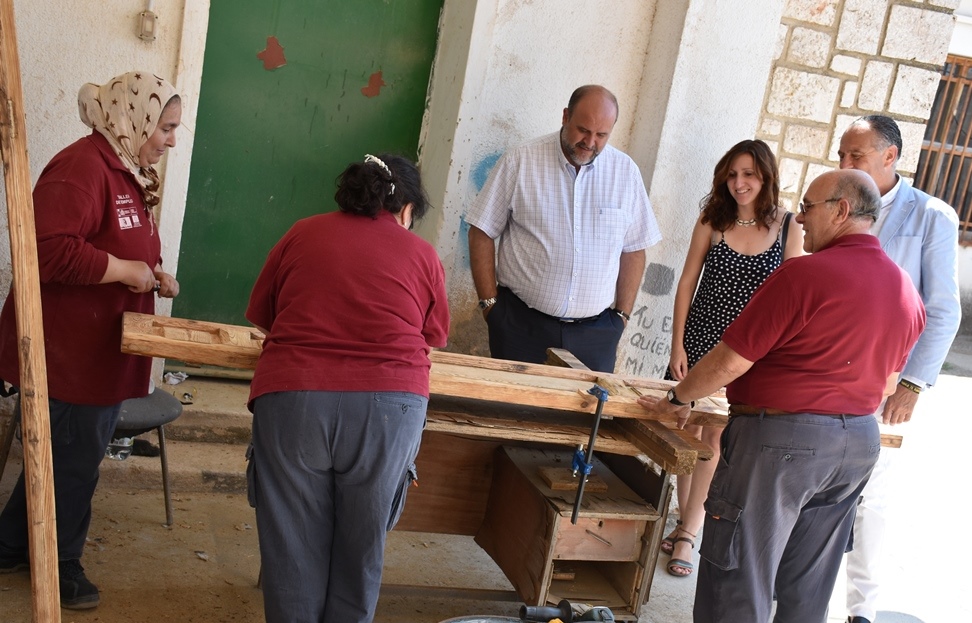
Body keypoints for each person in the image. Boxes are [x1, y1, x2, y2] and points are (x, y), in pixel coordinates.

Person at [639, 169, 925, 623]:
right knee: (806, 586)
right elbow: (889, 382)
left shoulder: (803, 275)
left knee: (738, 577)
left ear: (842, 210)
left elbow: (731, 359)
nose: (801, 219)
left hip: (781, 445)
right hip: (856, 445)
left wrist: (677, 399)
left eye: (808, 208)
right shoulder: (906, 288)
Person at [0, 70, 181, 609]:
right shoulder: (82, 167)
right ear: (136, 119)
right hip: (68, 354)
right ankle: (58, 564)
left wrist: (154, 270)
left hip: (100, 351)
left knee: (66, 456)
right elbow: (46, 249)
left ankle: (10, 542)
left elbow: (123, 240)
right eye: (166, 127)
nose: (171, 140)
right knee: (76, 464)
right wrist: (124, 270)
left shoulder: (127, 169)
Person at [245, 154, 449, 623]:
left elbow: (264, 314)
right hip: (389, 409)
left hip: (294, 397)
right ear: (405, 209)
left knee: (291, 546)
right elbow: (434, 335)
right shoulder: (420, 254)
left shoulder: (301, 232)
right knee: (362, 547)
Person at [837, 115, 962, 623]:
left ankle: (860, 612)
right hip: (828, 378)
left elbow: (943, 309)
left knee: (872, 503)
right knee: (815, 496)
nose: (845, 165)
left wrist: (911, 385)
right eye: (841, 155)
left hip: (884, 387)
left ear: (890, 158)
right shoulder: (836, 200)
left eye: (856, 156)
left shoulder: (933, 216)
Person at [662, 139, 803, 578]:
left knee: (716, 440)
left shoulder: (789, 225)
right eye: (732, 174)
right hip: (700, 340)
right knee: (689, 431)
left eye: (749, 175)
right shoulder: (713, 217)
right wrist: (677, 344)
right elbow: (686, 282)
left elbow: (794, 294)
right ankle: (688, 520)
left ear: (767, 177)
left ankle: (687, 531)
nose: (739, 183)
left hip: (746, 352)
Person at [467, 84, 661, 372]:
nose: (590, 142)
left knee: (584, 417)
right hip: (520, 327)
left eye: (602, 135)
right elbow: (481, 230)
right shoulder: (522, 160)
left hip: (596, 335)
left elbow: (634, 249)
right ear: (565, 116)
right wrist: (490, 306)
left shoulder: (625, 173)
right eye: (583, 130)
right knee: (514, 413)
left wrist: (620, 317)